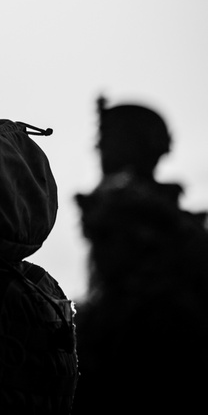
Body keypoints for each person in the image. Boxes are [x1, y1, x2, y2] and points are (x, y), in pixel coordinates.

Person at [73, 98, 208, 413]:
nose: (99, 151)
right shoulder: (167, 215)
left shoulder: (128, 207)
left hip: (142, 365)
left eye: (108, 141)